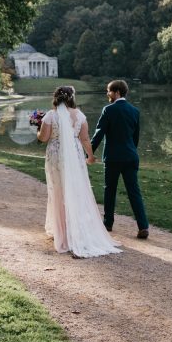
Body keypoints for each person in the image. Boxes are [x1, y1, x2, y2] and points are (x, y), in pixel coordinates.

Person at [36, 85, 122, 258]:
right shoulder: (80, 116)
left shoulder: (51, 115)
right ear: (72, 98)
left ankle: (63, 233)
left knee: (58, 191)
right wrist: (90, 156)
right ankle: (77, 230)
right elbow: (85, 139)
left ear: (56, 98)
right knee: (76, 191)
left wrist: (38, 129)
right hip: (75, 157)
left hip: (55, 157)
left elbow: (43, 138)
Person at [91, 79, 150, 238]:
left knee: (110, 190)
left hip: (113, 158)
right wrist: (130, 152)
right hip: (131, 156)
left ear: (117, 92)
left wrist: (88, 153)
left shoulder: (108, 110)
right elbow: (135, 138)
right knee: (134, 192)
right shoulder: (135, 111)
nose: (107, 94)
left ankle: (108, 224)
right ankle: (143, 226)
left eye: (109, 91)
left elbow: (99, 134)